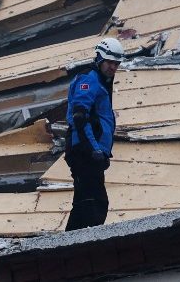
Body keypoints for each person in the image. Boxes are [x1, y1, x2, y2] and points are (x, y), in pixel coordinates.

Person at [64, 37, 123, 230]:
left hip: (89, 151)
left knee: (85, 200)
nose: (113, 67)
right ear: (99, 59)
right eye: (109, 62)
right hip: (84, 150)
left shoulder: (100, 82)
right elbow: (80, 116)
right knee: (94, 202)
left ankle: (71, 243)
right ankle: (78, 244)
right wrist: (94, 149)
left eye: (116, 63)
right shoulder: (89, 79)